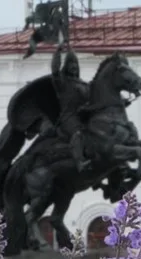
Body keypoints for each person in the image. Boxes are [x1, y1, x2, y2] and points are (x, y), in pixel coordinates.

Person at [49, 44, 91, 173]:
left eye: (75, 64)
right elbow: (55, 70)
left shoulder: (84, 84)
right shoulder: (62, 82)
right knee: (78, 133)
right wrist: (57, 52)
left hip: (83, 116)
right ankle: (80, 162)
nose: (73, 67)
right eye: (70, 64)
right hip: (68, 118)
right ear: (66, 66)